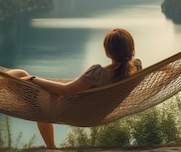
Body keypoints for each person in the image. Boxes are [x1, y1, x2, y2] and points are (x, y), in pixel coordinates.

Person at [7, 28, 142, 148]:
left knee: (19, 75)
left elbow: (65, 90)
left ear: (108, 52)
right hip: (96, 114)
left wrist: (34, 79)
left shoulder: (98, 73)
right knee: (35, 101)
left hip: (67, 109)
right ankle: (51, 148)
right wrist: (163, 71)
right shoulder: (136, 68)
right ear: (131, 48)